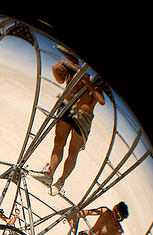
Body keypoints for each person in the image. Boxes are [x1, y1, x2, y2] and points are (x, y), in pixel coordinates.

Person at [32, 47, 106, 196]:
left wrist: (86, 81)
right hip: (67, 109)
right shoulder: (72, 72)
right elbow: (58, 75)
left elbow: (101, 100)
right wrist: (63, 65)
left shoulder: (95, 81)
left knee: (73, 152)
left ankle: (61, 181)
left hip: (83, 117)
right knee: (58, 142)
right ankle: (49, 173)